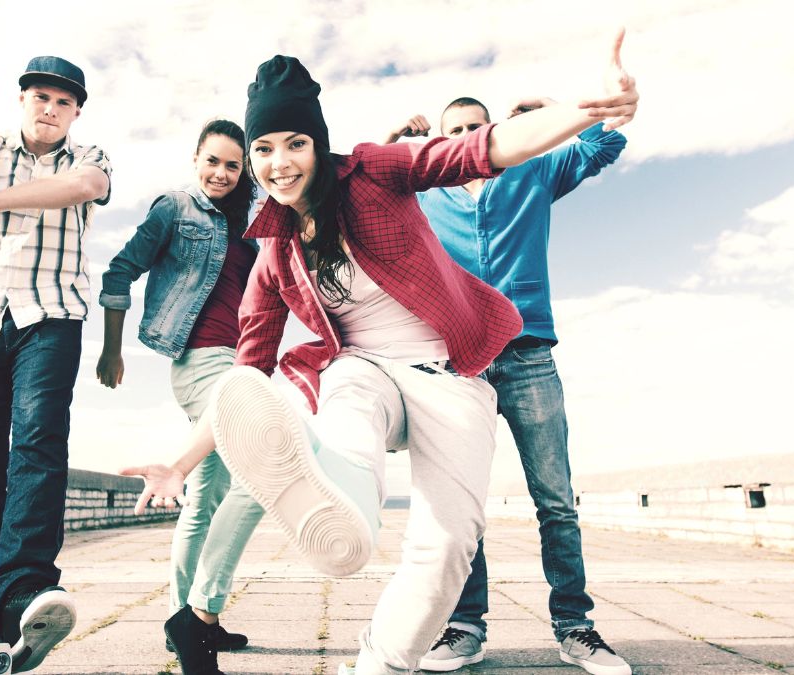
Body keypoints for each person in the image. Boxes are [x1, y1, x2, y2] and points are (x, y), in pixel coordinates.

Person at [127, 30, 637, 675]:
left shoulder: (374, 170)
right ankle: (339, 503)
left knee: (450, 543)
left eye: (294, 144)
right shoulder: (275, 252)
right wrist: (178, 464)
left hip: (453, 372)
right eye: (263, 149)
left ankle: (381, 662)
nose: (278, 162)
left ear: (318, 142)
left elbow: (481, 152)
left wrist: (587, 110)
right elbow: (245, 378)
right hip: (364, 373)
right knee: (349, 389)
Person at [382, 94, 630, 675]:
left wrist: (558, 110)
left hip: (529, 357)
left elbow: (605, 144)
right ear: (440, 144)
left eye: (476, 128)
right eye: (454, 132)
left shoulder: (533, 168)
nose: (466, 137)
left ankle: (576, 627)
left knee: (555, 501)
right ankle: (466, 627)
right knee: (459, 504)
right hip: (458, 362)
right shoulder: (424, 192)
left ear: (491, 131)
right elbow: (361, 191)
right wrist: (394, 137)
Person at [0, 55, 111, 673]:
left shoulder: (92, 158)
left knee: (37, 443)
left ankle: (26, 587)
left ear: (76, 113)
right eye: (40, 97)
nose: (50, 109)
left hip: (51, 318)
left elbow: (79, 191)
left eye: (63, 102)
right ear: (22, 100)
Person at [95, 119, 264, 667]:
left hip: (241, 363)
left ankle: (184, 621)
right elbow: (120, 271)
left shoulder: (257, 217)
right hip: (197, 362)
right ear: (196, 160)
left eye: (232, 165)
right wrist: (112, 349)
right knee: (260, 472)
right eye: (212, 161)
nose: (221, 173)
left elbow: (315, 184)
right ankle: (196, 617)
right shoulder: (174, 208)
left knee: (208, 500)